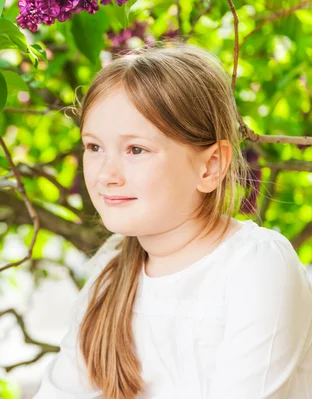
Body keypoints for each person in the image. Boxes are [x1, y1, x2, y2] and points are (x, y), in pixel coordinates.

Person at [33, 41, 312, 399]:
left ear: (210, 166)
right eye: (94, 147)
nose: (106, 175)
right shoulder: (112, 267)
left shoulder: (256, 266)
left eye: (136, 150)